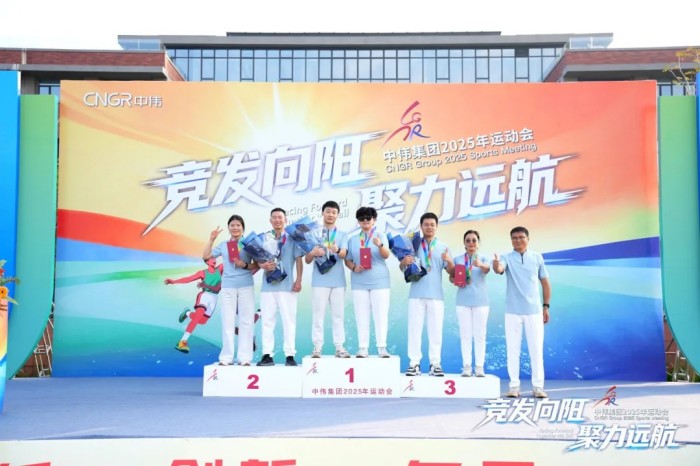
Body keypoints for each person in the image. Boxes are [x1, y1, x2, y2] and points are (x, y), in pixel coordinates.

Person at [492, 226, 551, 398]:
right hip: (512, 311)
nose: (518, 240)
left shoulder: (537, 257)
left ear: (528, 238)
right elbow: (499, 269)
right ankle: (514, 387)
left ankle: (538, 387)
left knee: (536, 350)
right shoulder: (506, 257)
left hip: (534, 311)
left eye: (521, 237)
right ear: (511, 240)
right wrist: (496, 265)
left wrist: (546, 307)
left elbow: (545, 283)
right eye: (514, 238)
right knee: (513, 350)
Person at [400, 213, 453, 376]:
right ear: (421, 226)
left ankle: (435, 363)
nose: (429, 227)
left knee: (435, 331)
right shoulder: (413, 245)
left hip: (436, 295)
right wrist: (403, 262)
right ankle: (414, 363)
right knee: (414, 330)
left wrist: (450, 261)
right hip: (416, 293)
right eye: (426, 224)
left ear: (437, 226)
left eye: (432, 224)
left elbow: (451, 272)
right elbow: (403, 268)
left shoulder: (443, 247)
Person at [203, 214, 258, 366]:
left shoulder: (249, 244)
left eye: (238, 225)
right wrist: (211, 240)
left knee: (246, 321)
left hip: (246, 285)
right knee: (228, 321)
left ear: (243, 228)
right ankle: (226, 357)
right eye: (232, 225)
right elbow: (206, 256)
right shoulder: (223, 245)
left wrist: (244, 265)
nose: (235, 228)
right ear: (228, 228)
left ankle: (245, 358)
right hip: (228, 286)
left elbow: (257, 264)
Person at [256, 207, 304, 367]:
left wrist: (298, 280)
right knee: (267, 322)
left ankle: (290, 355)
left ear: (285, 220)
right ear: (270, 220)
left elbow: (299, 260)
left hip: (288, 286)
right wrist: (262, 265)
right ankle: (267, 355)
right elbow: (258, 260)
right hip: (268, 287)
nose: (277, 220)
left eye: (280, 217)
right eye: (274, 217)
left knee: (289, 321)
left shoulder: (292, 238)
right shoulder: (264, 238)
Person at [344, 206, 392, 358]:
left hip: (380, 281)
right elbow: (347, 259)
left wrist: (380, 245)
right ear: (358, 221)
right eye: (362, 219)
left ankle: (382, 348)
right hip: (359, 282)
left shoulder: (380, 235)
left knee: (381, 315)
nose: (365, 221)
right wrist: (353, 267)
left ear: (374, 220)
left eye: (368, 218)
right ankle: (363, 348)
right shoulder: (352, 239)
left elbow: (386, 255)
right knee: (361, 316)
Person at [305, 201, 351, 358]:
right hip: (320, 281)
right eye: (328, 211)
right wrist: (313, 253)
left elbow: (344, 255)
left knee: (338, 316)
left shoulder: (342, 234)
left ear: (338, 215)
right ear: (322, 213)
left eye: (334, 212)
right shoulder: (314, 234)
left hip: (338, 282)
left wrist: (337, 250)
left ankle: (339, 347)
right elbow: (307, 260)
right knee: (318, 315)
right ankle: (317, 347)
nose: (330, 215)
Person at [449, 230, 491, 377]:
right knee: (465, 335)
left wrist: (480, 264)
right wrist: (455, 281)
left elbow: (487, 270)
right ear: (464, 243)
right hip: (462, 302)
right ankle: (467, 366)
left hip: (481, 302)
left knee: (480, 335)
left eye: (474, 240)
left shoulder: (484, 258)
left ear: (478, 243)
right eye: (468, 240)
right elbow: (451, 277)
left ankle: (479, 367)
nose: (471, 243)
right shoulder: (458, 259)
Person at [165, 257, 223, 354]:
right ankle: (182, 342)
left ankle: (187, 313)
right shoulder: (202, 273)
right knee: (197, 318)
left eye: (214, 258)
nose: (214, 260)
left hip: (214, 298)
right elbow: (188, 279)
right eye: (211, 258)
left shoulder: (220, 268)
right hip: (204, 296)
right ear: (207, 262)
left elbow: (230, 260)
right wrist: (174, 281)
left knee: (202, 321)